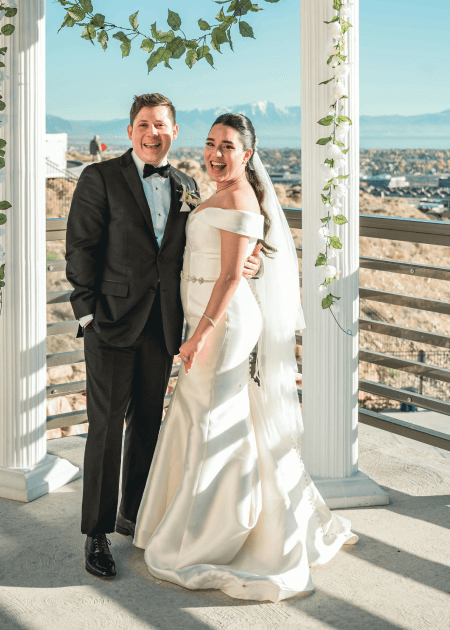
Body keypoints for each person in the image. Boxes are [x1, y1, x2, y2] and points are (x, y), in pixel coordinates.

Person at [133, 113, 358, 603]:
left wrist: (199, 335)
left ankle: (210, 533)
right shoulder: (218, 192)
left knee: (211, 419)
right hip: (207, 319)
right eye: (211, 143)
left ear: (248, 154)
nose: (216, 153)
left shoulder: (239, 197)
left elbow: (233, 276)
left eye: (228, 146)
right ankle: (194, 518)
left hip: (224, 324)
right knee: (208, 414)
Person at [65, 95, 262, 580]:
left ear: (174, 132)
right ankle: (97, 533)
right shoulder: (99, 177)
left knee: (148, 426)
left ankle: (135, 515)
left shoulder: (187, 186)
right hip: (110, 323)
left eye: (161, 125)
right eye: (143, 124)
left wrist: (250, 263)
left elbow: (206, 249)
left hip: (164, 329)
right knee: (106, 429)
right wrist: (87, 316)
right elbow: (80, 248)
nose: (152, 133)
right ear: (130, 131)